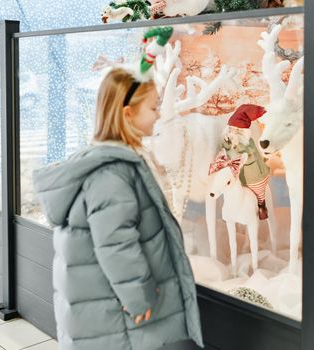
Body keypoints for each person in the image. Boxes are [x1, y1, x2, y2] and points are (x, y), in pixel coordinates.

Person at [32, 27, 203, 350]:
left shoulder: (112, 161)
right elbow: (116, 245)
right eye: (152, 108)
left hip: (107, 308)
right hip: (119, 314)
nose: (158, 115)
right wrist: (138, 298)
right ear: (128, 114)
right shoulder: (113, 174)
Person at [211, 104, 271, 219]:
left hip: (252, 176)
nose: (233, 132)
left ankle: (261, 205)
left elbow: (245, 153)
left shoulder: (248, 144)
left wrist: (234, 147)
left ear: (243, 132)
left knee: (259, 191)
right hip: (237, 175)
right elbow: (225, 150)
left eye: (237, 130)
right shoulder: (228, 141)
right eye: (231, 129)